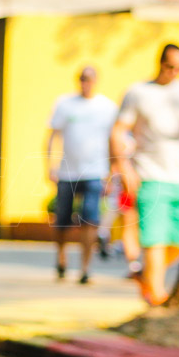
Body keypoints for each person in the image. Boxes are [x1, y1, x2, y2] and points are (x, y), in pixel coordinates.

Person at [110, 44, 179, 306]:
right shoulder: (138, 92)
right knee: (155, 239)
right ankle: (157, 297)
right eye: (170, 66)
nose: (175, 72)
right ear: (160, 63)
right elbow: (119, 131)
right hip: (150, 174)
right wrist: (123, 167)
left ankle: (145, 276)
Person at [45, 66, 118, 284]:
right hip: (68, 172)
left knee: (90, 220)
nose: (86, 83)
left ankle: (86, 268)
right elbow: (52, 136)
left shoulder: (107, 107)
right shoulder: (65, 104)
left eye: (90, 79)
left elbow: (114, 140)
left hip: (95, 173)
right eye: (83, 79)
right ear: (78, 80)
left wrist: (113, 172)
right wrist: (49, 165)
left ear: (96, 81)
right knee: (62, 220)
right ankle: (61, 259)